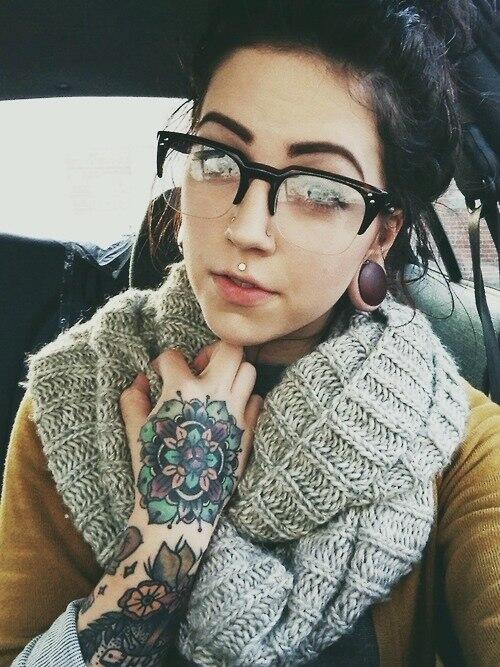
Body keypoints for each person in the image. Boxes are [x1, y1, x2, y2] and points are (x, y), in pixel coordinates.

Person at [1, 1, 499, 665]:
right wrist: (168, 535)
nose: (247, 227)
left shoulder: (455, 441)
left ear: (381, 233)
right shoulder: (74, 399)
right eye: (218, 159)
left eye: (319, 189)